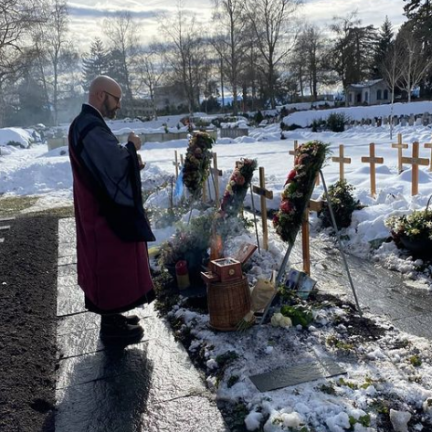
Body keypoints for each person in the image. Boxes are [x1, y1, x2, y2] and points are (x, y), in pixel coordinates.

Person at [68, 75, 155, 345]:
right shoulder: (88, 126)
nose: (118, 106)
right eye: (116, 99)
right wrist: (132, 147)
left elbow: (107, 163)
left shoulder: (88, 124)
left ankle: (114, 316)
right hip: (100, 212)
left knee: (109, 263)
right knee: (107, 263)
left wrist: (130, 161)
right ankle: (110, 325)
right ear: (100, 95)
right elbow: (113, 164)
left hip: (97, 206)